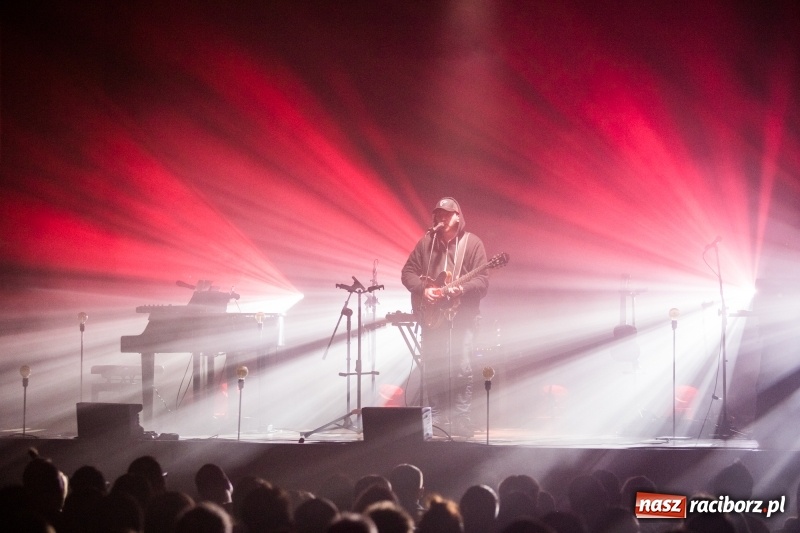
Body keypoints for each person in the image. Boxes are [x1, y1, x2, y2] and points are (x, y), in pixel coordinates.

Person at [402, 197, 489, 437]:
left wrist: (462, 289)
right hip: (433, 318)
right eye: (438, 213)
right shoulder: (427, 243)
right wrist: (423, 290)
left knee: (461, 367)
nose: (440, 217)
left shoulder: (472, 244)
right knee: (433, 367)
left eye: (446, 213)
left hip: (463, 319)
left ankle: (461, 418)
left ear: (458, 217)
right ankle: (437, 416)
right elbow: (407, 272)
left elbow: (482, 281)